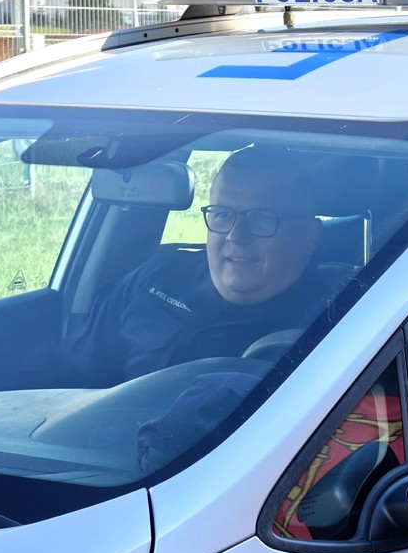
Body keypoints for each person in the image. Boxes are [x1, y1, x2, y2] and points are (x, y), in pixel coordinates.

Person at [63, 145, 339, 387]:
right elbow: (74, 376)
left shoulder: (337, 324)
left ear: (309, 236)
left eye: (261, 218)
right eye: (222, 214)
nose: (235, 236)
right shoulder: (160, 276)